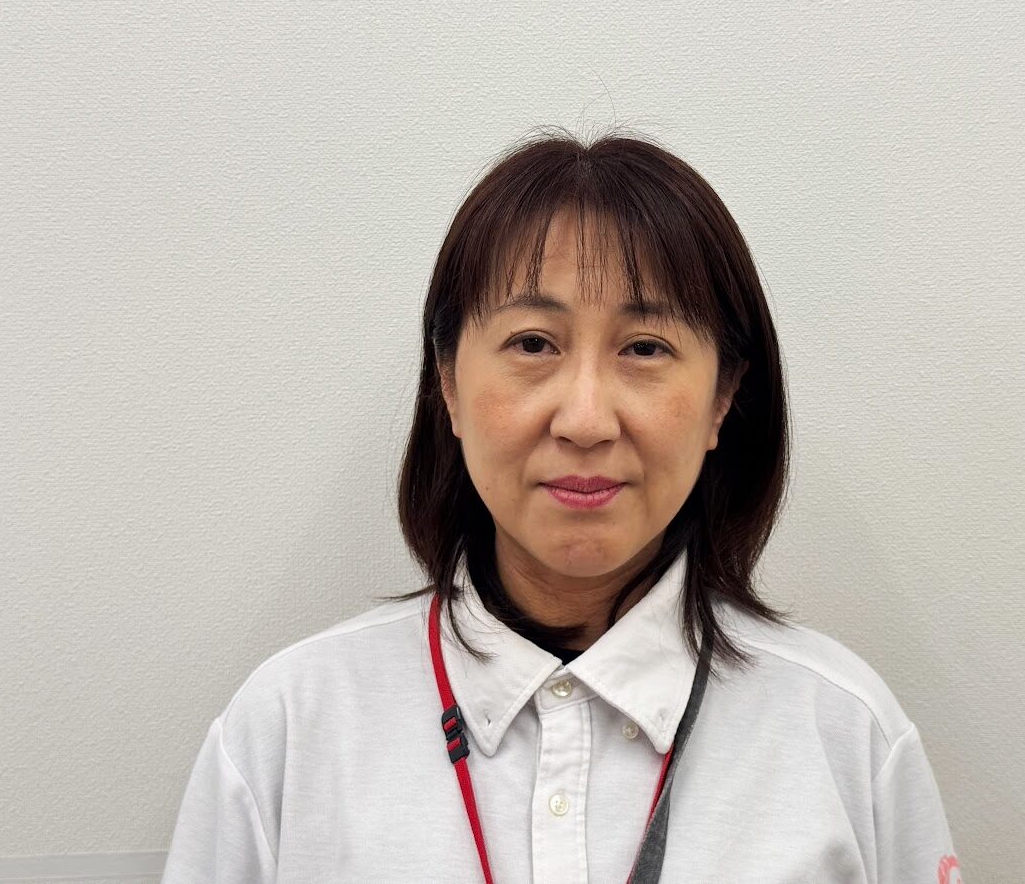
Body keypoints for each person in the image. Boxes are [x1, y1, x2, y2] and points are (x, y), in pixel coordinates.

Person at [161, 130, 963, 883]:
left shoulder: (845, 733)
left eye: (644, 348)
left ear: (724, 395)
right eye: (533, 344)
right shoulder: (288, 729)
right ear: (448, 381)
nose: (584, 419)